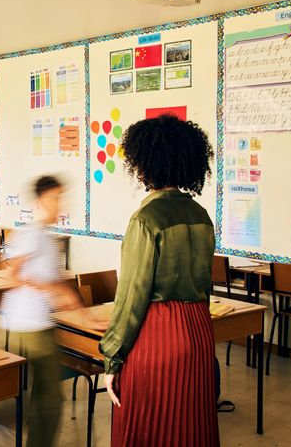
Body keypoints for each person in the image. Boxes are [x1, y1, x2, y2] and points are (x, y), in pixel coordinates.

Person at [99, 115, 218, 446]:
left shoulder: (146, 219)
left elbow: (131, 297)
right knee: (189, 426)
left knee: (147, 424)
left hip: (158, 335)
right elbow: (205, 283)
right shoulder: (201, 216)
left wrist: (112, 357)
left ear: (143, 166)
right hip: (198, 331)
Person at [1, 176, 85, 447]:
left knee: (44, 395)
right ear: (39, 202)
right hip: (29, 325)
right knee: (49, 397)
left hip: (40, 322)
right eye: (53, 199)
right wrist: (50, 287)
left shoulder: (47, 238)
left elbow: (54, 281)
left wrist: (71, 299)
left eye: (61, 198)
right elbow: (12, 275)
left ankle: (18, 427)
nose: (58, 204)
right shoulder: (32, 234)